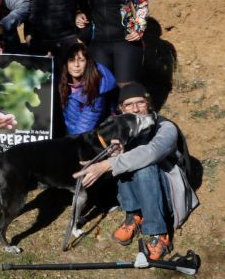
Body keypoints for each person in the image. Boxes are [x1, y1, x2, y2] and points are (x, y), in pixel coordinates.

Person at [73, 82, 198, 260]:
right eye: (129, 104)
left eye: (140, 102)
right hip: (142, 191)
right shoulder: (123, 128)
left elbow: (151, 152)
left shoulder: (165, 127)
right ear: (121, 109)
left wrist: (108, 164)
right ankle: (134, 215)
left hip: (167, 193)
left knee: (142, 164)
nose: (136, 109)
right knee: (122, 157)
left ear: (149, 103)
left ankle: (159, 233)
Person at [59, 42, 116, 135]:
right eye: (72, 60)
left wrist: (70, 143)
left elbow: (85, 127)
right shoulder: (62, 81)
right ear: (66, 63)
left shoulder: (96, 88)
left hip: (83, 138)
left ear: (88, 63)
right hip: (67, 134)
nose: (76, 65)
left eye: (81, 60)